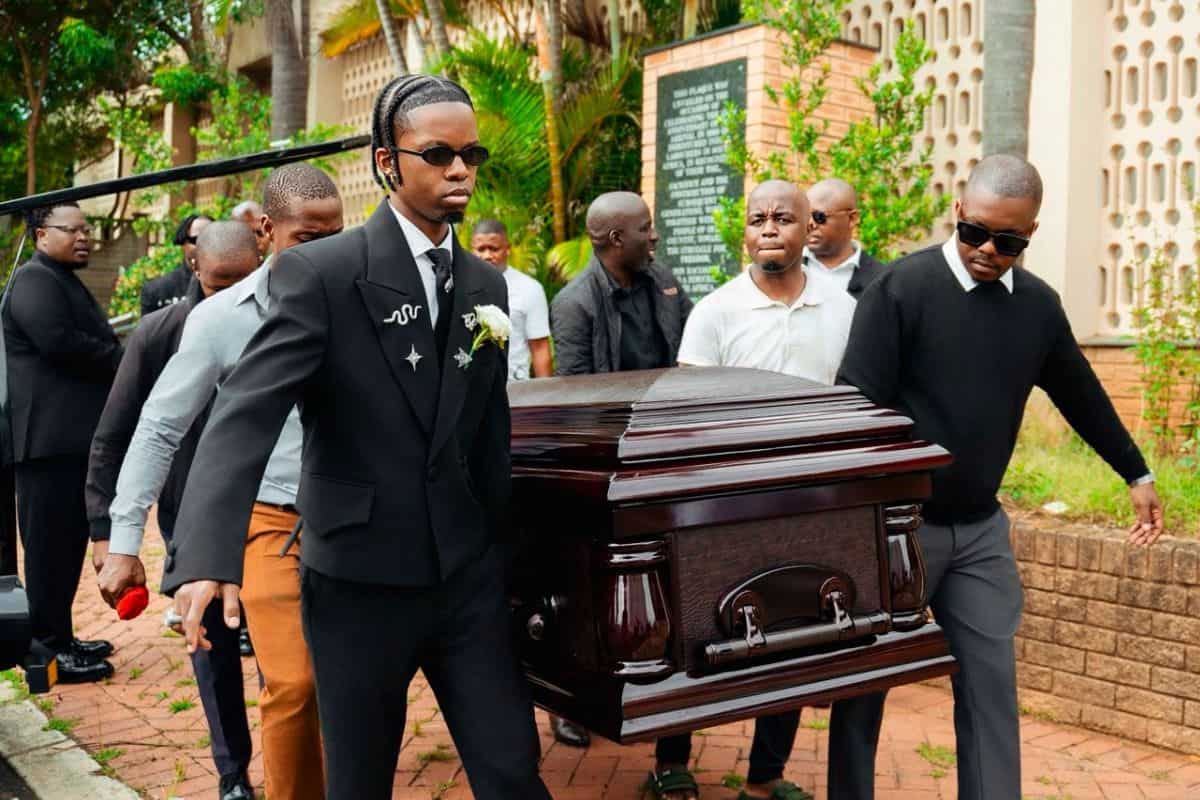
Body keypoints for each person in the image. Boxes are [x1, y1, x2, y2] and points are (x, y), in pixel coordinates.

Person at [162, 74, 553, 800]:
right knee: (360, 780)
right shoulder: (321, 272)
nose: (459, 169)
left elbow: (487, 431)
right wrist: (208, 554)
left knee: (510, 767)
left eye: (471, 154)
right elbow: (245, 409)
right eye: (437, 153)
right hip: (357, 582)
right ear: (387, 162)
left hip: (464, 579)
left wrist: (507, 555)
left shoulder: (487, 286)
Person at [827, 155, 1165, 800]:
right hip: (896, 529)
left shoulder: (1037, 307)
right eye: (975, 232)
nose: (987, 250)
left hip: (980, 533)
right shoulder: (899, 289)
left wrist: (1136, 472)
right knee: (864, 689)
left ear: (1030, 232)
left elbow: (1081, 395)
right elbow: (856, 405)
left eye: (1008, 241)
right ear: (958, 211)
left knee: (990, 691)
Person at [103, 163, 344, 800]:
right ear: (266, 231)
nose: (324, 253)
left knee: (358, 682)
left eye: (335, 237)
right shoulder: (218, 320)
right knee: (293, 682)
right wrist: (122, 538)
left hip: (357, 515)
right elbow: (158, 428)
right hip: (270, 519)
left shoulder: (363, 300)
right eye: (307, 239)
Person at [657, 180, 851, 800]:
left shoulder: (842, 308)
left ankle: (766, 775)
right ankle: (671, 761)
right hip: (725, 504)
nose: (769, 228)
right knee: (697, 630)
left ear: (807, 228)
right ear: (745, 231)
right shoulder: (715, 311)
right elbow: (687, 414)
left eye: (783, 218)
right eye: (757, 218)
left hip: (807, 504)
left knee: (795, 631)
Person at [86, 222, 259, 800]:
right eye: (220, 285)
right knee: (209, 644)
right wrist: (106, 532)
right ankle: (232, 772)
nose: (232, 296)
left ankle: (300, 758)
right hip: (191, 514)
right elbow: (115, 434)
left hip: (270, 510)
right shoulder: (159, 333)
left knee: (283, 648)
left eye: (245, 282)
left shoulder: (285, 319)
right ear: (194, 269)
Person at [1, 201, 122, 682]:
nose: (83, 237)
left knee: (67, 547)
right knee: (49, 551)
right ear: (41, 235)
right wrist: (120, 358)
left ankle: (62, 636)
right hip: (46, 445)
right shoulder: (34, 281)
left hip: (67, 443)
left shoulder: (58, 278)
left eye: (86, 229)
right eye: (71, 230)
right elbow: (59, 343)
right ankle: (48, 650)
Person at [551, 191, 692, 376]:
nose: (654, 236)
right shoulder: (573, 304)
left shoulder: (662, 278)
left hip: (667, 393)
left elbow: (695, 336)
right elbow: (575, 386)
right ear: (616, 239)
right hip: (614, 396)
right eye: (645, 229)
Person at [471, 220, 552, 380]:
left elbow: (540, 348)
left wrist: (546, 393)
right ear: (472, 250)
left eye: (494, 249)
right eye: (481, 249)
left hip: (516, 386)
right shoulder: (459, 286)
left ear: (507, 249)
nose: (487, 255)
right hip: (472, 387)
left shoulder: (529, 289)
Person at [803, 178, 886, 299]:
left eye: (819, 216)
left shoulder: (881, 280)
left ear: (852, 219)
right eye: (805, 215)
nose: (810, 224)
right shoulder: (785, 267)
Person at [140, 214, 212, 317]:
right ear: (183, 243)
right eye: (196, 239)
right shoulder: (157, 290)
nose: (205, 245)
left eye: (212, 239)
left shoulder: (232, 286)